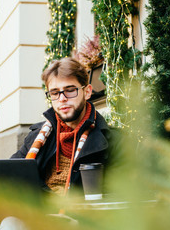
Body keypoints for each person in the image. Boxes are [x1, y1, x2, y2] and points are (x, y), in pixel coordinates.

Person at [11, 57, 121, 196]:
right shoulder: (36, 137)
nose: (62, 98)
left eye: (69, 90)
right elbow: (11, 174)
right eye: (55, 93)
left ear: (87, 92)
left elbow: (117, 196)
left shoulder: (114, 141)